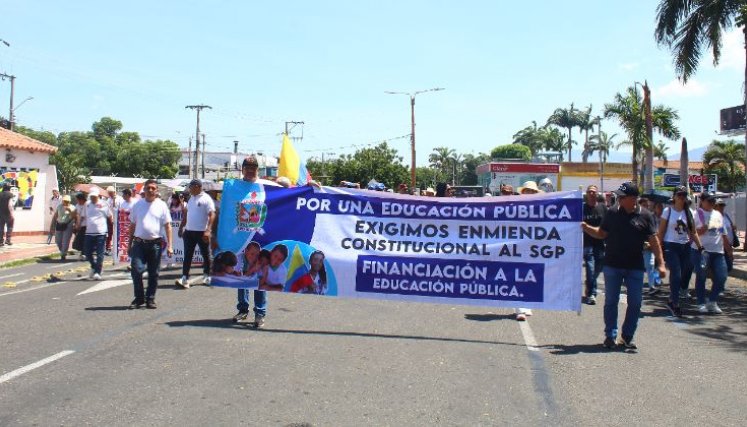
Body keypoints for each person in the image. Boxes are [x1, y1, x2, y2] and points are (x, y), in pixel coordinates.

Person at [582, 182, 666, 350]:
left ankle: (627, 336)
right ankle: (610, 336)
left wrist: (661, 263)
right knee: (611, 301)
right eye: (619, 196)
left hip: (635, 266)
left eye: (622, 196)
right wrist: (586, 228)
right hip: (612, 264)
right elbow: (601, 233)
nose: (619, 199)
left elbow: (654, 241)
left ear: (633, 199)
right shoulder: (612, 212)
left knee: (635, 303)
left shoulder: (646, 216)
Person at [127, 179, 173, 309]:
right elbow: (132, 225)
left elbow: (168, 226)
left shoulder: (162, 205)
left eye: (153, 188)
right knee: (136, 270)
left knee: (154, 273)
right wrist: (129, 244)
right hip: (139, 243)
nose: (151, 190)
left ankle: (150, 299)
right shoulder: (137, 205)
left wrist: (170, 245)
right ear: (144, 190)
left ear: (156, 190)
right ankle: (139, 298)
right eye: (148, 188)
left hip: (155, 245)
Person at [235, 155, 270, 327]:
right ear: (242, 169)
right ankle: (243, 309)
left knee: (259, 277)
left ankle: (260, 313)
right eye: (247, 167)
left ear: (258, 169)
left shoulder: (265, 186)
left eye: (253, 167)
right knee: (241, 277)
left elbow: (287, 186)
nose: (250, 170)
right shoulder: (234, 186)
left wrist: (307, 186)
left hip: (259, 240)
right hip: (240, 240)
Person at [658, 185, 702, 317]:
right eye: (679, 195)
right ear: (674, 197)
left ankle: (673, 298)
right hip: (671, 245)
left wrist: (700, 247)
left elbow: (693, 232)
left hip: (685, 246)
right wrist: (657, 248)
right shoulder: (668, 211)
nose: (681, 198)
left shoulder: (690, 212)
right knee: (676, 274)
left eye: (684, 195)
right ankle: (675, 303)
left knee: (686, 271)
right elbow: (661, 231)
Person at [691, 192, 732, 314]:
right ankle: (701, 302)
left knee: (722, 276)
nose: (711, 203)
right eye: (709, 201)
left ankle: (712, 301)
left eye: (713, 201)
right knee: (701, 276)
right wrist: (702, 230)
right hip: (701, 251)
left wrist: (729, 250)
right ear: (702, 201)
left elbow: (723, 233)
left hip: (717, 251)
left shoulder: (717, 214)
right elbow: (692, 233)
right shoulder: (696, 214)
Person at [176, 179, 215, 288]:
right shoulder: (191, 199)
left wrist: (208, 230)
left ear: (197, 186)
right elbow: (186, 215)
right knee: (187, 255)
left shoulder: (206, 199)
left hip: (202, 232)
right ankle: (184, 277)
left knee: (205, 254)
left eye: (190, 187)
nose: (189, 189)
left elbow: (212, 214)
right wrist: (181, 227)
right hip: (189, 232)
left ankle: (207, 275)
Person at [515, 181, 543, 320]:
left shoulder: (541, 208)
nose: (530, 193)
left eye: (532, 191)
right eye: (527, 191)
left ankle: (527, 305)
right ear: (523, 192)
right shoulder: (515, 206)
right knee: (518, 275)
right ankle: (520, 308)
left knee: (531, 276)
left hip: (534, 247)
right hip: (518, 246)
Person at [79, 188, 113, 280]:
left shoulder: (104, 204)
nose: (93, 198)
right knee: (87, 252)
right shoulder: (87, 204)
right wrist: (78, 224)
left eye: (95, 196)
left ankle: (98, 272)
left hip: (101, 232)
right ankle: (94, 266)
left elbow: (110, 216)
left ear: (98, 195)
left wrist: (112, 226)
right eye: (92, 196)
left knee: (100, 253)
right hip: (89, 232)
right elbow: (83, 216)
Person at [582, 185, 605, 305]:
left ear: (597, 194)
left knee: (598, 268)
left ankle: (589, 283)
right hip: (587, 244)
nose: (592, 193)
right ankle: (592, 293)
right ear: (586, 194)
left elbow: (608, 225)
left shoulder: (602, 208)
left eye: (594, 192)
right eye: (590, 192)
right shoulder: (581, 208)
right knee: (591, 268)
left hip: (600, 243)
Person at [233, 242, 263, 323]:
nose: (254, 257)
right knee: (241, 283)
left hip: (257, 276)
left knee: (261, 285)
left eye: (257, 255)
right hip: (245, 273)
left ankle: (259, 314)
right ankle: (243, 310)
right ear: (245, 251)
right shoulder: (239, 258)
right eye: (252, 254)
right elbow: (237, 274)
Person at [714, 198, 737, 272]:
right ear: (715, 206)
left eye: (723, 205)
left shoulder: (726, 215)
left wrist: (733, 227)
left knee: (729, 266)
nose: (722, 207)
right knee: (724, 266)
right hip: (719, 246)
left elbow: (730, 226)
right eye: (720, 205)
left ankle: (718, 279)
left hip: (729, 244)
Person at [50, 195, 76, 261]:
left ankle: (63, 254)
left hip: (68, 225)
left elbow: (74, 216)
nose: (65, 202)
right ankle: (63, 251)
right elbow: (55, 216)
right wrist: (52, 227)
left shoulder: (72, 207)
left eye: (67, 201)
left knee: (65, 241)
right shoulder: (59, 206)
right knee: (58, 241)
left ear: (69, 202)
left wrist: (70, 210)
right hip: (59, 224)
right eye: (64, 201)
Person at [105, 186, 122, 255]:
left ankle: (118, 247)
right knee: (109, 233)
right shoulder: (108, 200)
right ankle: (108, 247)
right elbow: (107, 209)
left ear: (114, 192)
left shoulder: (120, 199)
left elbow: (120, 208)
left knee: (118, 233)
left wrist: (114, 200)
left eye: (110, 193)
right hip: (110, 218)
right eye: (109, 193)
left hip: (118, 218)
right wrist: (110, 217)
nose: (109, 194)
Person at [72, 192, 88, 259]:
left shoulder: (86, 205)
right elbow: (76, 214)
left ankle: (84, 253)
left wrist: (78, 224)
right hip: (79, 225)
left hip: (86, 225)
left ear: (82, 199)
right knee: (80, 240)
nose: (77, 201)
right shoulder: (77, 205)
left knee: (84, 240)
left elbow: (82, 217)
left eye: (78, 199)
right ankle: (83, 252)